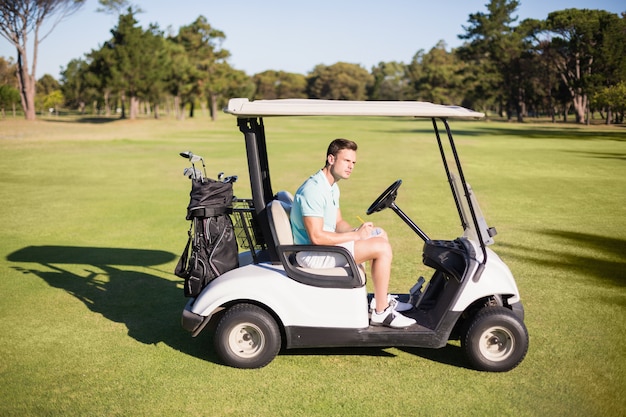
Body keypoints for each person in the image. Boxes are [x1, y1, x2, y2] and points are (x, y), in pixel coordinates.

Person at [290, 138, 416, 328]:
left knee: (379, 235)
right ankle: (381, 312)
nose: (351, 167)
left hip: (325, 249)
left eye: (353, 163)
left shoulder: (331, 186)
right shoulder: (314, 190)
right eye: (346, 161)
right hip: (311, 254)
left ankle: (379, 300)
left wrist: (357, 231)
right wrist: (356, 237)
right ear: (331, 159)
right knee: (381, 248)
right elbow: (316, 237)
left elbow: (338, 222)